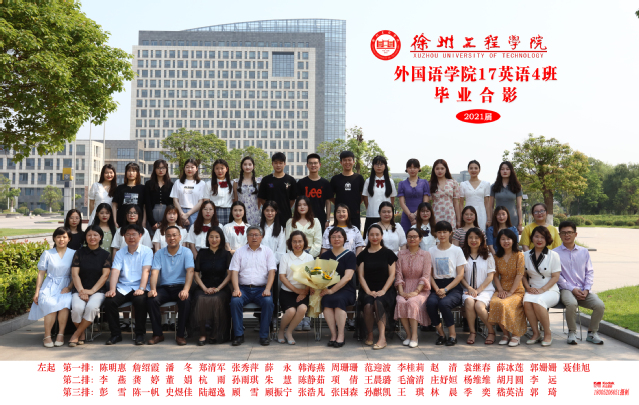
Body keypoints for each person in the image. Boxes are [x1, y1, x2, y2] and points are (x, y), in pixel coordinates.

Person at [555, 221, 606, 345]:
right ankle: (572, 332)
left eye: (570, 232)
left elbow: (589, 271)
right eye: (563, 233)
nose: (567, 235)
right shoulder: (554, 253)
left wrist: (587, 289)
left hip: (583, 289)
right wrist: (572, 289)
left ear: (575, 234)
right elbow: (557, 276)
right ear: (559, 235)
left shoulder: (584, 251)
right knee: (572, 304)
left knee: (599, 305)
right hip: (565, 289)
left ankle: (592, 333)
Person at [103, 224, 152, 345]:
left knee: (140, 300)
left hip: (140, 286)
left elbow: (146, 271)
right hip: (123, 287)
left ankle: (140, 334)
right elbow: (115, 271)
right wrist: (112, 289)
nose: (131, 237)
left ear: (140, 236)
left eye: (134, 234)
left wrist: (141, 288)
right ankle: (115, 334)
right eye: (128, 234)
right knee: (109, 301)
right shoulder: (120, 253)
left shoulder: (147, 251)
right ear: (124, 237)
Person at [229, 226, 277, 346]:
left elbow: (272, 272)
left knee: (268, 302)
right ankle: (238, 335)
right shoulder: (239, 252)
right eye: (251, 235)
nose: (254, 237)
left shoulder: (268, 252)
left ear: (261, 237)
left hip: (261, 289)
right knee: (235, 302)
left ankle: (264, 336)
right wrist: (236, 289)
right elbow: (234, 272)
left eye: (256, 235)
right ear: (247, 237)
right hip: (243, 289)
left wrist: (268, 289)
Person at [148, 226, 195, 346]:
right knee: (152, 299)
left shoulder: (186, 252)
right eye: (168, 236)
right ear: (165, 238)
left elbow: (190, 271)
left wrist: (186, 290)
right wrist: (153, 289)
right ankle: (158, 334)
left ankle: (180, 335)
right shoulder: (159, 253)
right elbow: (154, 272)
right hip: (165, 287)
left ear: (180, 237)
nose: (171, 238)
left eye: (174, 235)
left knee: (185, 300)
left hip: (181, 286)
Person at [29, 227, 75, 347]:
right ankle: (47, 335)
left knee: (65, 303)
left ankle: (61, 334)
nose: (61, 239)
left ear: (69, 239)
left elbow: (75, 274)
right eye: (58, 237)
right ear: (54, 238)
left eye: (64, 237)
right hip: (49, 285)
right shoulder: (47, 253)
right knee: (50, 304)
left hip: (66, 285)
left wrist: (69, 287)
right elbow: (41, 273)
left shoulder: (74, 253)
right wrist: (37, 292)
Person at [68, 225, 111, 347]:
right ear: (85, 237)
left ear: (100, 237)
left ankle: (76, 334)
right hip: (79, 289)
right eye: (89, 235)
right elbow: (75, 274)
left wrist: (92, 291)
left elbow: (105, 276)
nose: (92, 237)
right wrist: (82, 291)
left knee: (92, 307)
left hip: (98, 291)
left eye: (95, 235)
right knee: (77, 308)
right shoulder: (79, 253)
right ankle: (82, 333)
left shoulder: (105, 255)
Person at [357, 224, 398, 350]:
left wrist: (383, 290)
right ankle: (370, 334)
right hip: (367, 289)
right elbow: (361, 276)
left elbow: (392, 275)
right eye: (371, 235)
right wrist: (368, 291)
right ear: (368, 237)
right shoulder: (363, 255)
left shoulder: (388, 253)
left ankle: (382, 338)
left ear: (382, 236)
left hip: (386, 289)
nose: (374, 237)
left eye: (377, 234)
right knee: (368, 305)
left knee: (378, 302)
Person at [427, 221, 466, 346]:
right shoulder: (431, 251)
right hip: (436, 285)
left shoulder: (457, 250)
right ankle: (441, 334)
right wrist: (437, 289)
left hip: (453, 287)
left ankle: (452, 335)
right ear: (436, 234)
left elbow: (460, 275)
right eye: (439, 232)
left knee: (444, 303)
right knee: (431, 303)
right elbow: (429, 274)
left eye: (445, 232)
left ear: (450, 233)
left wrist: (445, 290)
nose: (442, 235)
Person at [191, 227, 233, 345]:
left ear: (221, 238)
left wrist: (218, 288)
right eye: (211, 237)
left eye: (217, 237)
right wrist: (204, 288)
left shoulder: (226, 254)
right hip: (203, 286)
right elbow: (196, 274)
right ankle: (203, 333)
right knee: (200, 299)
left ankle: (215, 332)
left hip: (221, 287)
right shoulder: (202, 253)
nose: (214, 240)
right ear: (207, 238)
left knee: (217, 299)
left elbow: (230, 275)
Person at [318, 227, 357, 348]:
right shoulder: (325, 256)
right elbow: (320, 275)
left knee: (339, 300)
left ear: (344, 239)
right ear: (329, 239)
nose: (336, 239)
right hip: (328, 289)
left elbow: (348, 277)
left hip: (346, 289)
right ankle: (333, 334)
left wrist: (332, 290)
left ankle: (341, 335)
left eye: (339, 236)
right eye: (333, 237)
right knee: (326, 300)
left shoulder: (350, 255)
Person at [523, 226, 561, 347]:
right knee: (526, 301)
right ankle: (536, 333)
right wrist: (528, 288)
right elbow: (523, 275)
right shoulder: (525, 255)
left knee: (538, 302)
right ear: (532, 238)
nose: (539, 240)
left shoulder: (553, 255)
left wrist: (542, 289)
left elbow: (555, 277)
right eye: (536, 236)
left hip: (550, 290)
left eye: (542, 237)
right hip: (532, 289)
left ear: (547, 239)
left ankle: (548, 333)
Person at [487, 229, 527, 347]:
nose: (506, 241)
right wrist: (500, 290)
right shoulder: (496, 257)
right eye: (503, 239)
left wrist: (511, 292)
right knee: (495, 302)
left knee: (506, 303)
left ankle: (516, 334)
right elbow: (495, 276)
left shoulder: (519, 255)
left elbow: (520, 275)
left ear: (513, 240)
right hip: (502, 289)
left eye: (508, 239)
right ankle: (505, 334)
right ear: (499, 241)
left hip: (516, 290)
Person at [395, 228, 431, 348]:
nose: (412, 239)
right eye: (409, 236)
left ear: (420, 239)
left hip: (421, 289)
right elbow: (398, 274)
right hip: (404, 287)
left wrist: (416, 291)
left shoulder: (425, 255)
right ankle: (408, 335)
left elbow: (426, 276)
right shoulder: (401, 254)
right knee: (400, 301)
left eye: (415, 236)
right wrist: (401, 291)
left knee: (412, 302)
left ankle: (415, 335)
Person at [460, 228, 496, 345]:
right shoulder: (462, 255)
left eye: (476, 237)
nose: (473, 240)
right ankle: (472, 332)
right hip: (468, 290)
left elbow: (490, 276)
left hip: (485, 290)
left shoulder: (488, 256)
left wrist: (478, 290)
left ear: (481, 240)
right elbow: (460, 276)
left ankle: (491, 331)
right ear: (466, 239)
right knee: (469, 302)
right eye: (470, 237)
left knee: (479, 306)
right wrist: (470, 288)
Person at [277, 231, 313, 344]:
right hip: (287, 291)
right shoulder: (285, 257)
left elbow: (311, 278)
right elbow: (282, 277)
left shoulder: (309, 257)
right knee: (291, 311)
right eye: (294, 241)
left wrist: (304, 292)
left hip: (304, 291)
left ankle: (289, 332)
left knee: (302, 309)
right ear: (290, 243)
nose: (297, 244)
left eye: (300, 241)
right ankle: (281, 331)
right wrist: (297, 290)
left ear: (304, 242)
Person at [296, 153, 333, 233]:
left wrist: (327, 220)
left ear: (319, 165)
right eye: (311, 163)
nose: (313, 165)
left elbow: (328, 202)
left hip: (320, 219)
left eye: (315, 163)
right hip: (304, 218)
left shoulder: (325, 183)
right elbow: (297, 202)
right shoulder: (301, 183)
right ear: (307, 165)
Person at [257, 152, 297, 224]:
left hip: (285, 216)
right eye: (276, 163)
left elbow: (292, 200)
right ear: (272, 164)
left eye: (281, 163)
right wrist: (270, 209)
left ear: (284, 164)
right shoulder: (266, 180)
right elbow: (262, 198)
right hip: (269, 216)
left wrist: (284, 207)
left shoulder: (291, 180)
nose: (278, 165)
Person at [330, 151, 365, 231]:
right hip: (339, 215)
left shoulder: (359, 178)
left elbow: (363, 195)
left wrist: (356, 203)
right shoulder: (335, 179)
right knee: (339, 235)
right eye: (344, 160)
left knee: (355, 235)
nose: (347, 162)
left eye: (349, 160)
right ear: (341, 162)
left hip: (355, 214)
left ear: (353, 162)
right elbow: (331, 196)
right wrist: (339, 204)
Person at [362, 156, 397, 233]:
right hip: (372, 214)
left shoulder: (390, 181)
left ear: (385, 166)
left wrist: (389, 211)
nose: (379, 166)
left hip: (386, 215)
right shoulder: (368, 181)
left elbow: (392, 198)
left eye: (381, 164)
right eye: (376, 164)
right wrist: (370, 208)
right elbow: (365, 198)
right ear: (373, 166)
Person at [170, 159, 207, 231]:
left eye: (192, 167)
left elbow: (201, 201)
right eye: (187, 167)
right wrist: (182, 214)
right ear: (184, 169)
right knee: (179, 234)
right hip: (180, 212)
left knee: (194, 233)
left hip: (195, 212)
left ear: (196, 169)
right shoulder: (178, 182)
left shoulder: (201, 183)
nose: (189, 169)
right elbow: (175, 200)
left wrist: (187, 214)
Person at [487, 161, 523, 233]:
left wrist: (520, 223)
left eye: (507, 169)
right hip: (498, 220)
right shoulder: (494, 187)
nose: (505, 171)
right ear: (499, 171)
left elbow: (519, 207)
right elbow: (491, 206)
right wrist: (490, 220)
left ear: (511, 171)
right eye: (502, 169)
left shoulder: (517, 187)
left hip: (513, 220)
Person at [398, 158, 430, 234]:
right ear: (407, 169)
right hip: (406, 216)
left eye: (415, 167)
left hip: (422, 215)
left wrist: (415, 214)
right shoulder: (402, 184)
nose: (412, 170)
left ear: (419, 168)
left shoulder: (424, 183)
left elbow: (425, 202)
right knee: (406, 237)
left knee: (422, 237)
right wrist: (410, 216)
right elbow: (402, 203)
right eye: (410, 167)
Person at [144, 159, 173, 237]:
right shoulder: (148, 184)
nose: (161, 170)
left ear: (166, 169)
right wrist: (152, 222)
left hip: (166, 213)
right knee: (152, 237)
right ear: (154, 169)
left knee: (165, 236)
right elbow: (147, 203)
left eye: (163, 168)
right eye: (158, 168)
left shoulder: (171, 185)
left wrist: (164, 222)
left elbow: (171, 204)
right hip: (152, 213)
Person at [112, 162, 145, 228]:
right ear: (126, 173)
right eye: (129, 171)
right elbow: (114, 205)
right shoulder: (120, 188)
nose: (131, 173)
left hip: (138, 223)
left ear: (137, 173)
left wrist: (144, 222)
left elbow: (145, 207)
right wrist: (114, 221)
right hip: (121, 222)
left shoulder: (142, 188)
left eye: (134, 171)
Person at [430, 159, 461, 228]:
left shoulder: (453, 182)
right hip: (436, 214)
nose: (439, 171)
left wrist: (459, 220)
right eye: (437, 169)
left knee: (450, 233)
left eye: (442, 168)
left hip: (450, 214)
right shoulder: (430, 184)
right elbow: (428, 202)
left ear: (446, 169)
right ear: (434, 170)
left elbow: (456, 202)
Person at [460, 160, 491, 230]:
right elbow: (461, 204)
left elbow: (487, 203)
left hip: (481, 213)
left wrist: (489, 219)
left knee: (481, 233)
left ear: (479, 170)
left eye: (476, 168)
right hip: (467, 214)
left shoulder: (485, 184)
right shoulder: (463, 184)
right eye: (471, 168)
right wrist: (460, 218)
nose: (473, 170)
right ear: (468, 170)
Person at [233, 156, 262, 226]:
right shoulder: (236, 182)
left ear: (253, 166)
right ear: (242, 166)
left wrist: (256, 209)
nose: (247, 167)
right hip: (240, 213)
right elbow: (235, 199)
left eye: (250, 164)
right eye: (245, 164)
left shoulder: (258, 181)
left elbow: (260, 200)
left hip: (255, 213)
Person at [208, 158, 233, 225]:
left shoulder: (232, 184)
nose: (219, 171)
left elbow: (234, 200)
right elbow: (206, 201)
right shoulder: (208, 184)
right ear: (214, 170)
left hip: (229, 211)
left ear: (226, 169)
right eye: (217, 168)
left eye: (222, 168)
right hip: (214, 212)